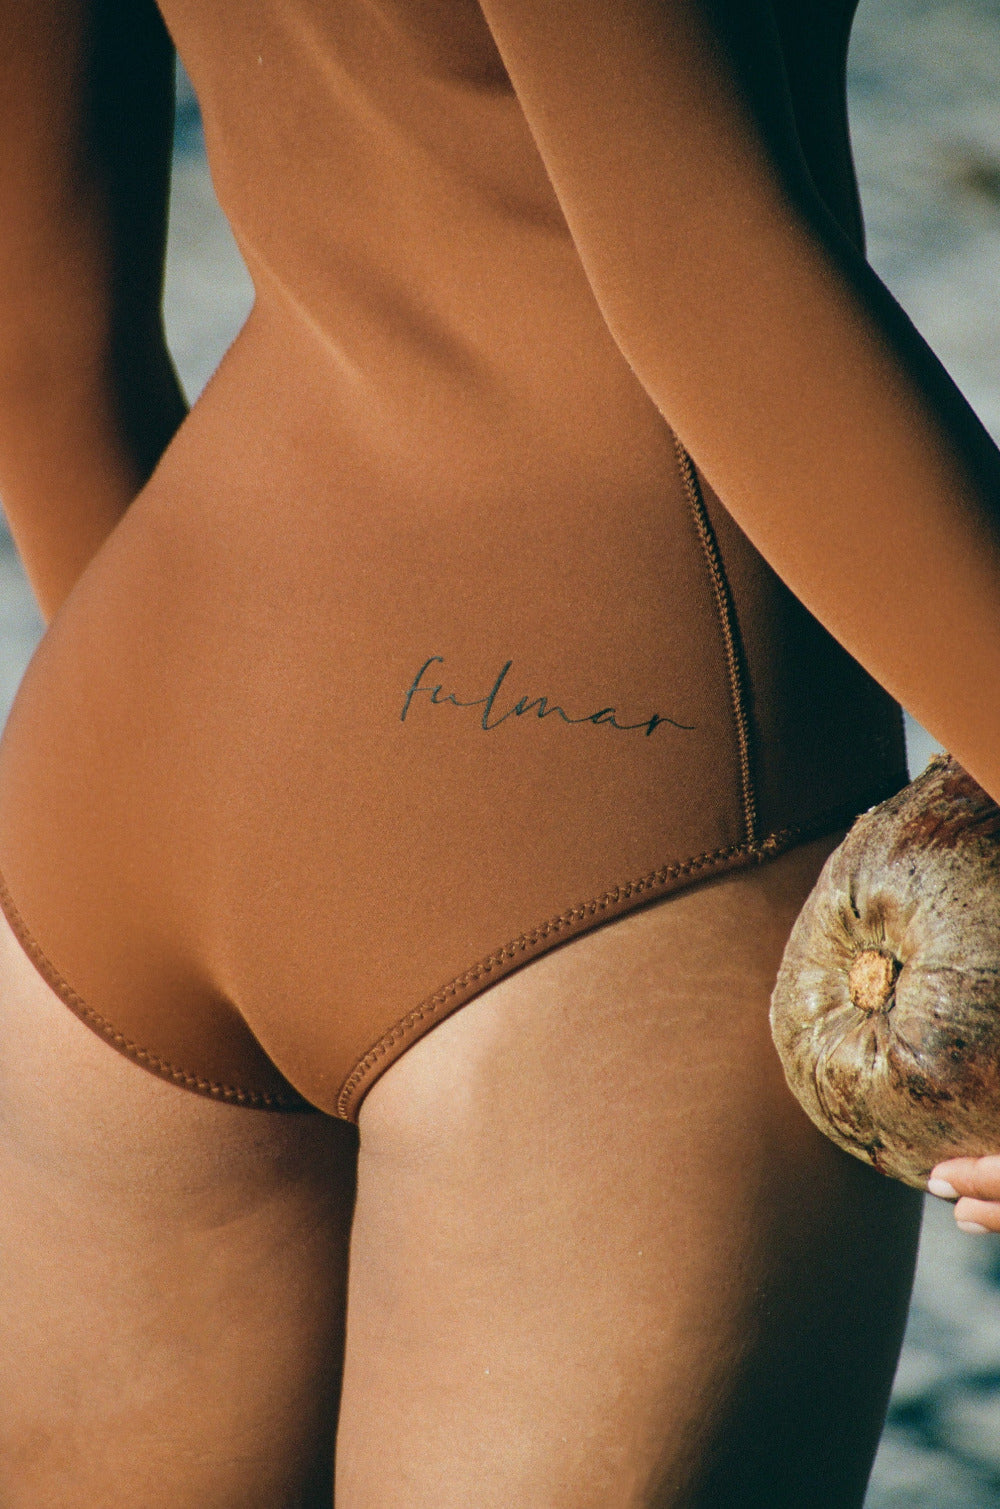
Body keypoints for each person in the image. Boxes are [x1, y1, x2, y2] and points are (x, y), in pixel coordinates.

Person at [0, 0, 996, 1503]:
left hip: (141, 744)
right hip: (629, 787)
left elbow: (38, 341)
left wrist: (271, 790)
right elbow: (707, 263)